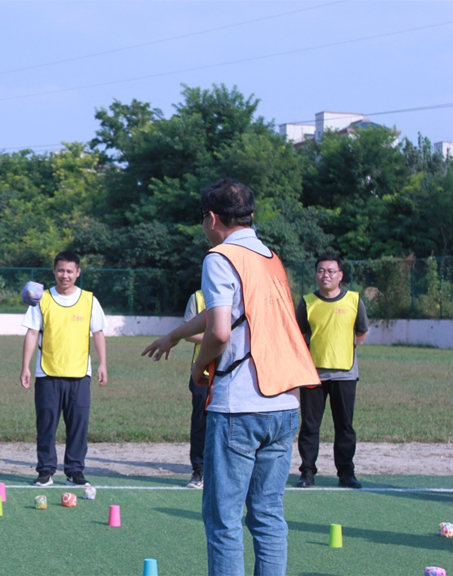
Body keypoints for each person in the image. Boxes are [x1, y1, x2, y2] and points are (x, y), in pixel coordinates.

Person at [142, 179, 319, 576]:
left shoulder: (219, 257)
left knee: (223, 520)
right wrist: (176, 334)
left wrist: (199, 366)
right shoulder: (269, 257)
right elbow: (229, 310)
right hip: (284, 401)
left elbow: (221, 331)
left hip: (240, 404)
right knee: (267, 515)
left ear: (211, 218)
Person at [20, 250, 108, 487]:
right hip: (47, 373)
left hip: (79, 374)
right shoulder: (41, 299)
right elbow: (31, 333)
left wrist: (102, 364)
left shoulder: (90, 300)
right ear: (54, 271)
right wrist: (25, 366)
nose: (64, 275)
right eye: (60, 270)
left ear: (78, 272)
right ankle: (45, 471)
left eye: (69, 271)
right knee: (46, 425)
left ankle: (74, 471)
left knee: (78, 426)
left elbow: (98, 333)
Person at [295, 254, 369, 489]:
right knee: (309, 426)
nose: (325, 275)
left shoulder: (354, 300)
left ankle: (346, 473)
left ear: (340, 275)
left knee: (344, 426)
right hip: (313, 374)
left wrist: (344, 347)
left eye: (330, 271)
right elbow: (299, 335)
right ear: (315, 274)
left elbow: (362, 331)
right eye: (320, 271)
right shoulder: (307, 302)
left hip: (345, 374)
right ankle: (307, 472)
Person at [181, 290, 207, 489]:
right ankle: (199, 470)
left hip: (233, 373)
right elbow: (188, 333)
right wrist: (215, 338)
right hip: (203, 372)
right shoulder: (197, 297)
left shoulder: (240, 293)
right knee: (200, 423)